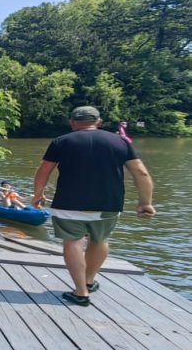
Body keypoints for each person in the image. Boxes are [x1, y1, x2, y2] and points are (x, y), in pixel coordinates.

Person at [32, 106, 155, 306]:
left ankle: (80, 292)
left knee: (72, 242)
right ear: (98, 122)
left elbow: (43, 171)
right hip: (108, 204)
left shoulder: (61, 142)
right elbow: (141, 173)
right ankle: (88, 281)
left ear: (72, 123)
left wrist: (38, 195)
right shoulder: (120, 141)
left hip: (67, 204)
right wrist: (145, 202)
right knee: (100, 239)